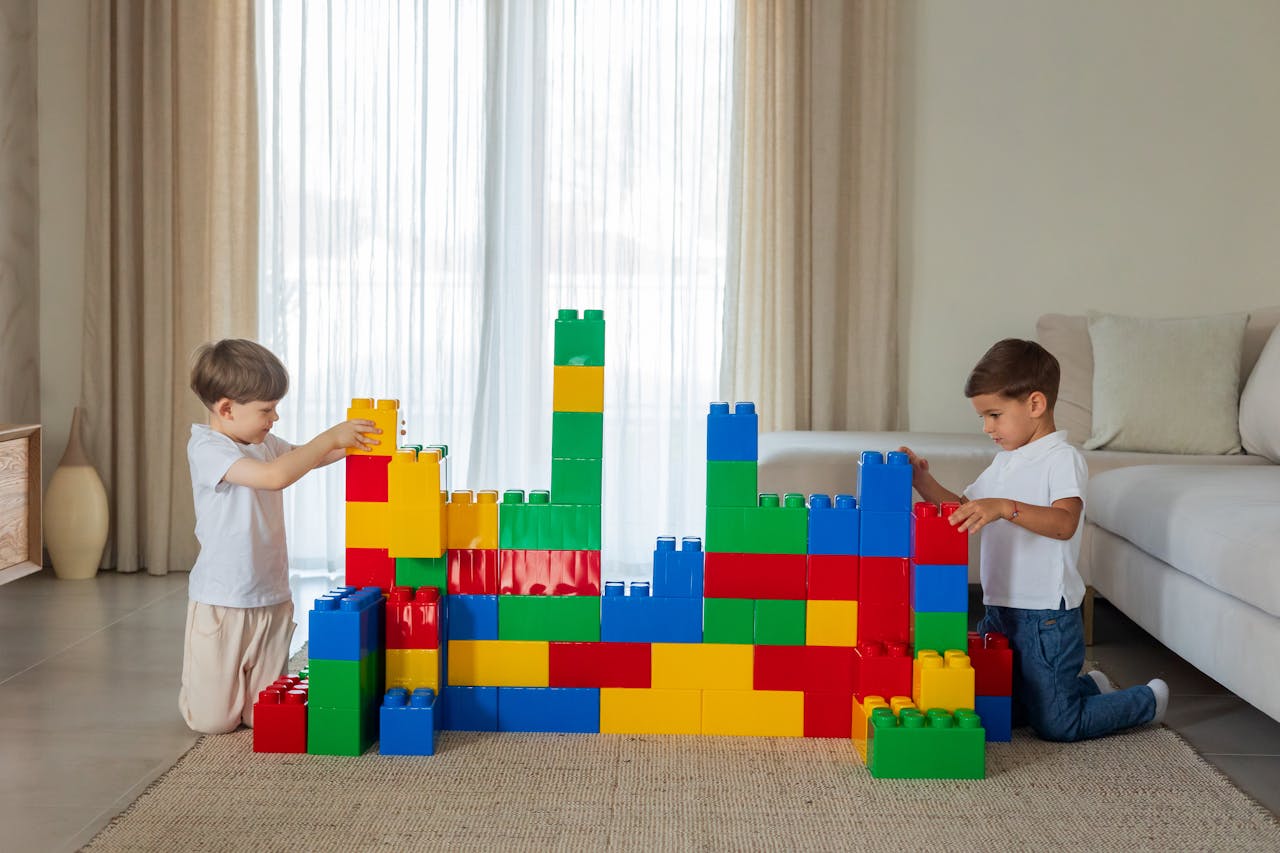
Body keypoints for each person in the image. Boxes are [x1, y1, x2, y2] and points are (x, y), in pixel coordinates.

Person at [900, 338, 1167, 742]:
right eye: (983, 417)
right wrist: (924, 481)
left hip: (1045, 617)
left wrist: (1006, 507)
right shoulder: (1006, 460)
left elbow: (1064, 523)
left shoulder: (1062, 459)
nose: (987, 428)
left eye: (994, 415)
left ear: (1035, 405)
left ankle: (1146, 700)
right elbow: (965, 508)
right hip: (1000, 609)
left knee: (1057, 725)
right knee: (1008, 711)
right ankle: (1089, 688)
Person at [180, 339, 379, 734]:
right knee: (213, 722)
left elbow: (309, 456)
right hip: (224, 601)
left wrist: (356, 441)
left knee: (264, 714)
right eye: (266, 410)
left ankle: (246, 692)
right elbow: (275, 477)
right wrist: (329, 436)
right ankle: (202, 692)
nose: (275, 418)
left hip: (270, 595)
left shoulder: (264, 443)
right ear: (226, 409)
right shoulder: (208, 448)